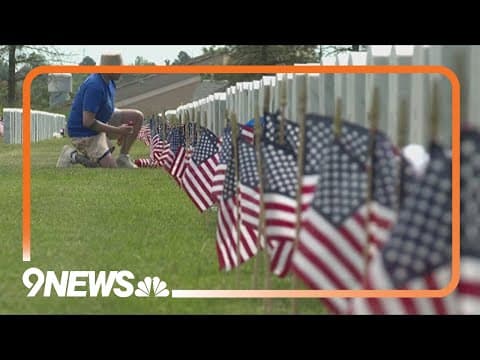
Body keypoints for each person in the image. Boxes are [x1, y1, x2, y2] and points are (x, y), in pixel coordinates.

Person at [56, 53, 143, 168]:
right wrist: (118, 130)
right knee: (109, 168)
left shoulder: (110, 82)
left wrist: (120, 128)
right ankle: (71, 155)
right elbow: (88, 122)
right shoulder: (94, 86)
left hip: (100, 122)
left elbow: (106, 109)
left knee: (137, 116)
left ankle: (123, 157)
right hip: (83, 132)